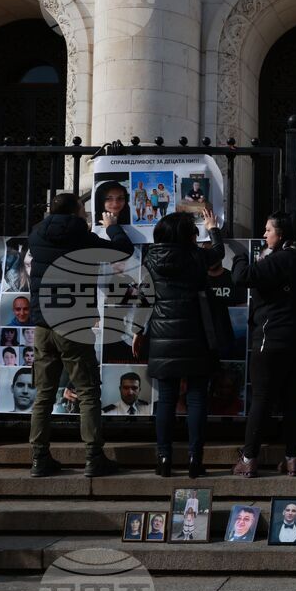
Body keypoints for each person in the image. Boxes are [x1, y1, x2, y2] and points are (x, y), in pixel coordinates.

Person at [28, 192, 134, 477]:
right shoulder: (81, 236)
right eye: (84, 211)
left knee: (44, 394)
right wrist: (111, 225)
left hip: (43, 326)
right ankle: (93, 457)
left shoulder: (37, 234)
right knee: (88, 392)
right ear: (76, 212)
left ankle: (39, 458)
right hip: (72, 323)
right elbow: (123, 250)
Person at [232, 211, 296, 478]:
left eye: (268, 230)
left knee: (261, 398)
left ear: (281, 234)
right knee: (293, 399)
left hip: (271, 338)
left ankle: (249, 459)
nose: (264, 234)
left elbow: (241, 276)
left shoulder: (282, 259)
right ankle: (292, 459)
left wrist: (237, 254)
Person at [137, 209, 223, 478]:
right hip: (196, 334)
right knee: (197, 398)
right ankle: (195, 460)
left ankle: (164, 459)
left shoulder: (150, 258)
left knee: (166, 400)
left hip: (163, 338)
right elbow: (217, 253)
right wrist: (213, 228)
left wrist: (140, 331)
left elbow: (145, 299)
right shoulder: (196, 256)